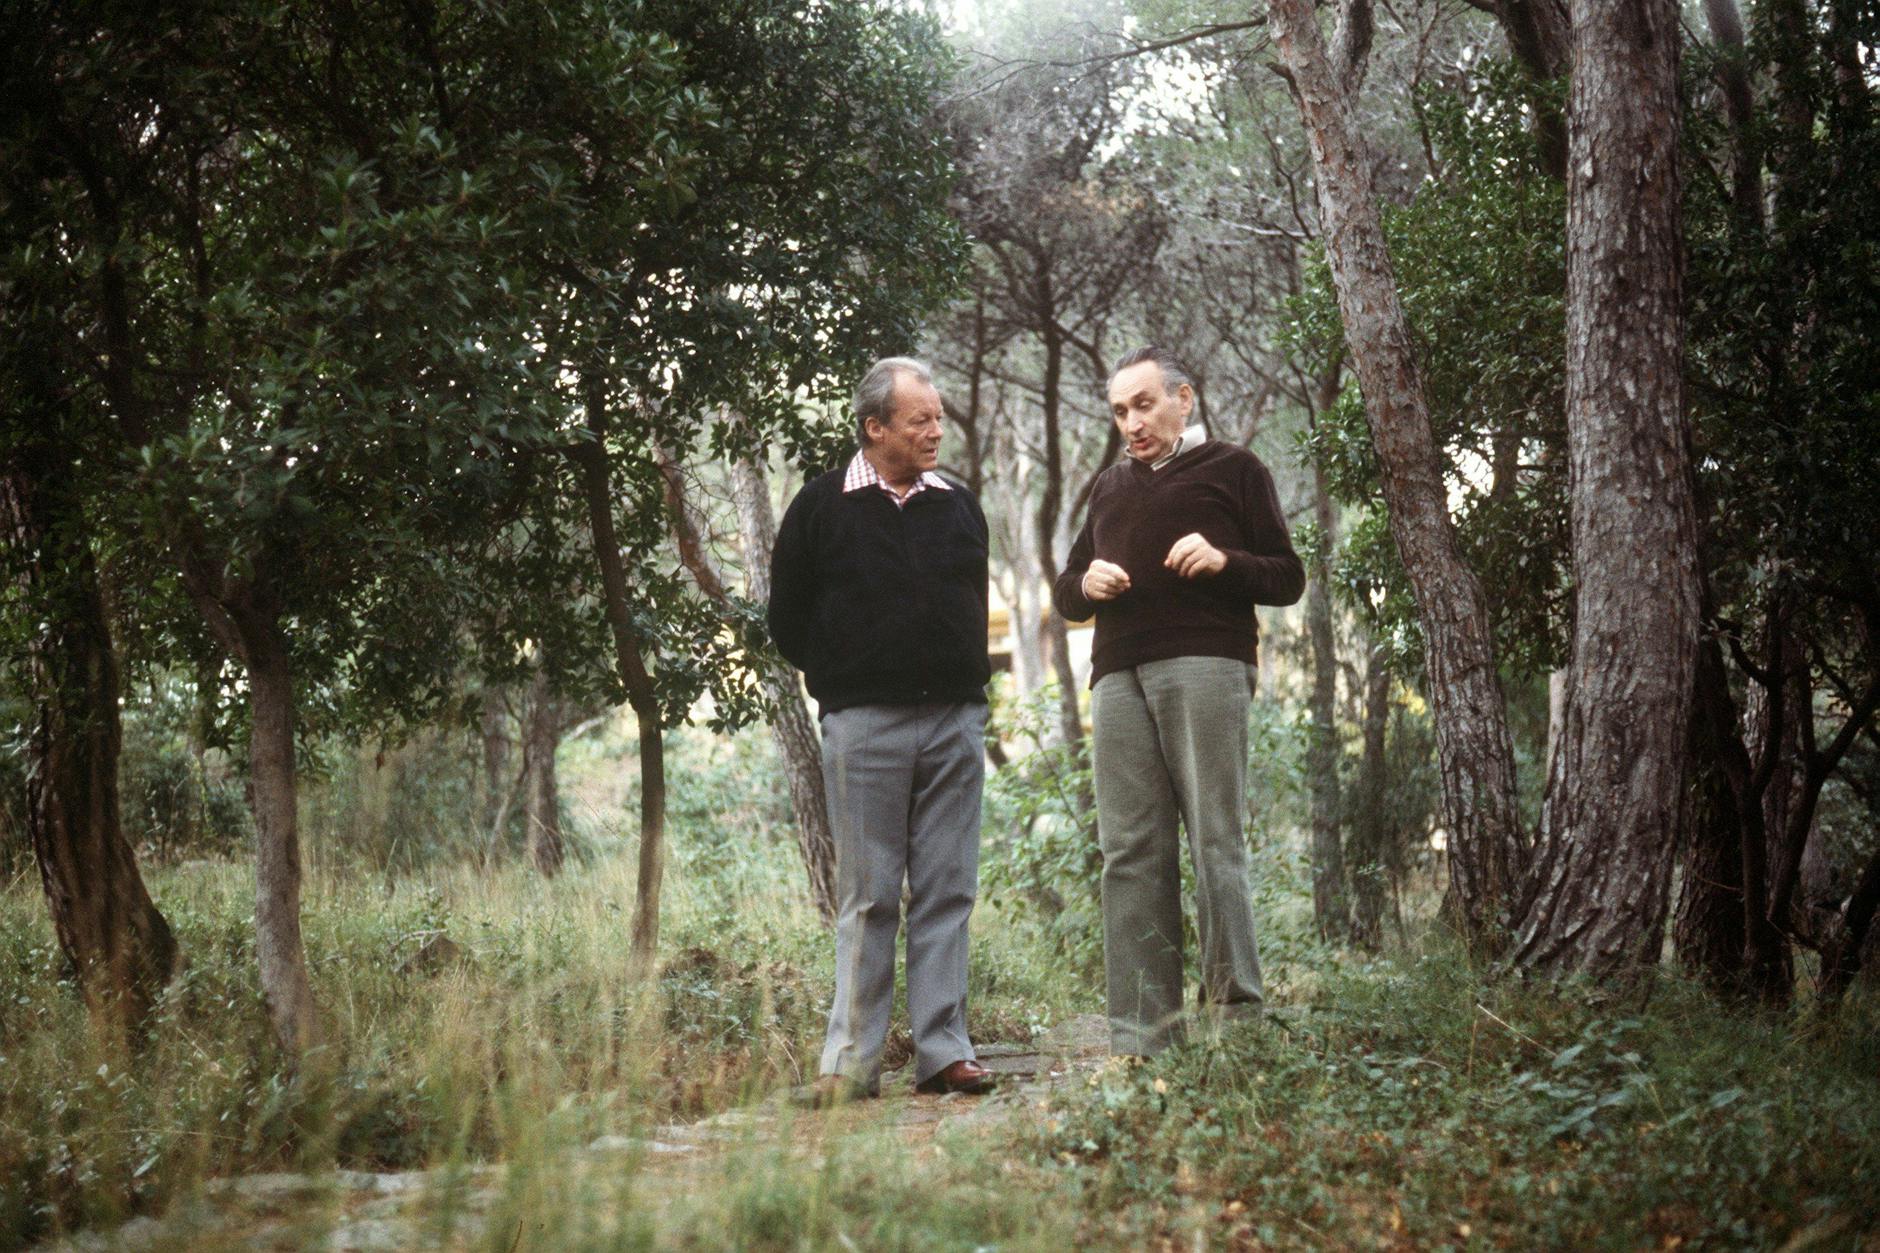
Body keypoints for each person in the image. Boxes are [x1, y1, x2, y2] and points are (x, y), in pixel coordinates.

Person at [1052, 346, 1306, 1057]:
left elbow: (1287, 576)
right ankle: (1144, 1035)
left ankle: (1237, 1021)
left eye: (1142, 404)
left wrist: (1225, 562)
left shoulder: (1235, 468)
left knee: (1215, 839)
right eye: (1118, 411)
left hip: (1204, 663)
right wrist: (1088, 583)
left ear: (1183, 398)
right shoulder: (1109, 486)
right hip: (1117, 674)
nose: (1130, 422)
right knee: (1129, 849)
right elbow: (1067, 585)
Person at [768, 356, 996, 1103]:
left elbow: (970, 600)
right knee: (869, 897)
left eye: (938, 417)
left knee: (947, 890)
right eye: (919, 419)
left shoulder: (958, 505)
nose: (936, 430)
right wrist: (849, 679)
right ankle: (851, 1065)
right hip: (863, 725)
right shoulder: (819, 507)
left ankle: (944, 1052)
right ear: (875, 427)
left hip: (955, 721)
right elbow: (788, 621)